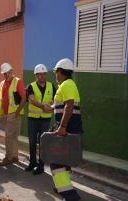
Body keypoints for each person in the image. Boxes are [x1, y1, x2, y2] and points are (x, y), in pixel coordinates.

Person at [49, 58, 82, 201]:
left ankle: (70, 196)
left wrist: (62, 127)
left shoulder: (67, 84)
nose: (56, 75)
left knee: (55, 162)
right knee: (64, 161)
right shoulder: (69, 84)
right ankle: (63, 188)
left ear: (60, 72)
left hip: (68, 131)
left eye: (56, 72)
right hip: (69, 130)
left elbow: (69, 106)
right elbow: (61, 107)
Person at [25, 64, 56, 175]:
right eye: (40, 74)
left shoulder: (51, 86)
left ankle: (41, 166)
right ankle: (32, 162)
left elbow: (55, 101)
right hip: (32, 119)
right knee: (32, 142)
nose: (43, 76)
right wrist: (43, 107)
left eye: (44, 74)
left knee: (43, 142)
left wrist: (51, 108)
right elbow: (32, 100)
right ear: (36, 75)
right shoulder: (30, 86)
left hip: (45, 120)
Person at [0, 63, 26, 166]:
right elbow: (1, 98)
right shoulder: (2, 83)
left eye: (8, 73)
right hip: (5, 113)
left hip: (13, 113)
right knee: (13, 135)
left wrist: (17, 111)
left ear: (11, 71)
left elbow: (24, 97)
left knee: (8, 135)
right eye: (4, 74)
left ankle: (8, 157)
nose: (6, 75)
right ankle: (14, 156)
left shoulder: (18, 82)